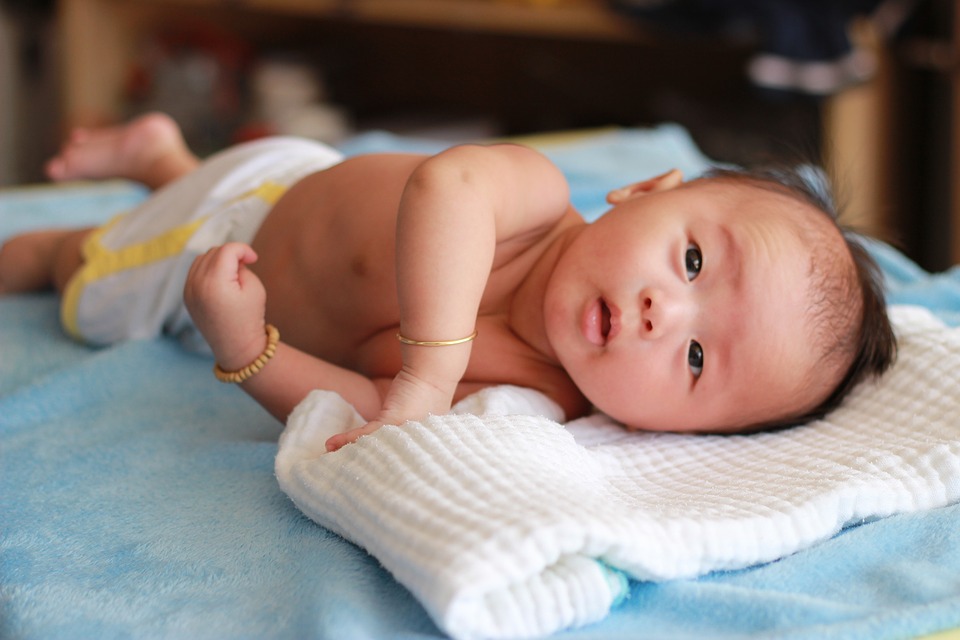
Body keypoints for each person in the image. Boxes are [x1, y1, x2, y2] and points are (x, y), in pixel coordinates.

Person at [0, 113, 896, 451]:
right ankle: (161, 170)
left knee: (146, 234)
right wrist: (430, 378)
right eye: (694, 260)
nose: (668, 312)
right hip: (262, 200)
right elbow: (444, 186)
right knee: (70, 271)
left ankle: (165, 159)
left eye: (698, 359)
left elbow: (362, 400)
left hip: (237, 266)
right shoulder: (534, 199)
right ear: (647, 190)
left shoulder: (536, 394)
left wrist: (249, 349)